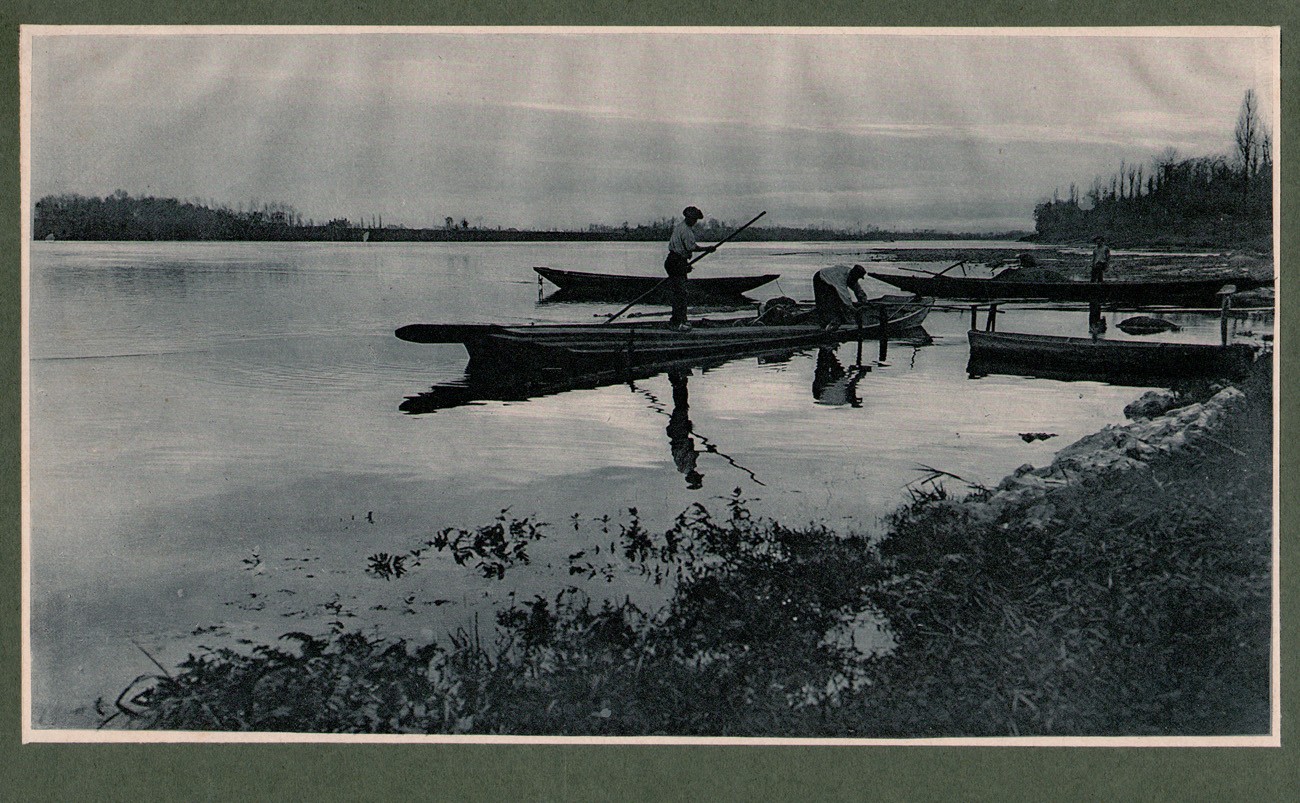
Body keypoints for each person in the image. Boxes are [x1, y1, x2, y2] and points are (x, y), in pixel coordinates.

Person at [664, 206, 716, 331]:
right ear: (688, 218)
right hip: (676, 262)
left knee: (679, 292)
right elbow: (691, 247)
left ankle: (678, 320)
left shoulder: (679, 227)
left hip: (674, 261)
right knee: (681, 293)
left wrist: (684, 265)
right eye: (693, 219)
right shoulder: (686, 230)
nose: (694, 221)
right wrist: (707, 249)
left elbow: (683, 249)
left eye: (696, 219)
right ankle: (679, 322)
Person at [812, 264, 870, 330]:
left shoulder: (851, 275)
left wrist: (864, 300)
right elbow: (844, 295)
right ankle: (824, 322)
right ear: (853, 275)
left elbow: (857, 289)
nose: (857, 279)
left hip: (831, 279)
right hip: (820, 279)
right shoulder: (841, 278)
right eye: (857, 278)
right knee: (827, 302)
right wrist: (851, 308)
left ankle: (839, 316)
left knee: (838, 301)